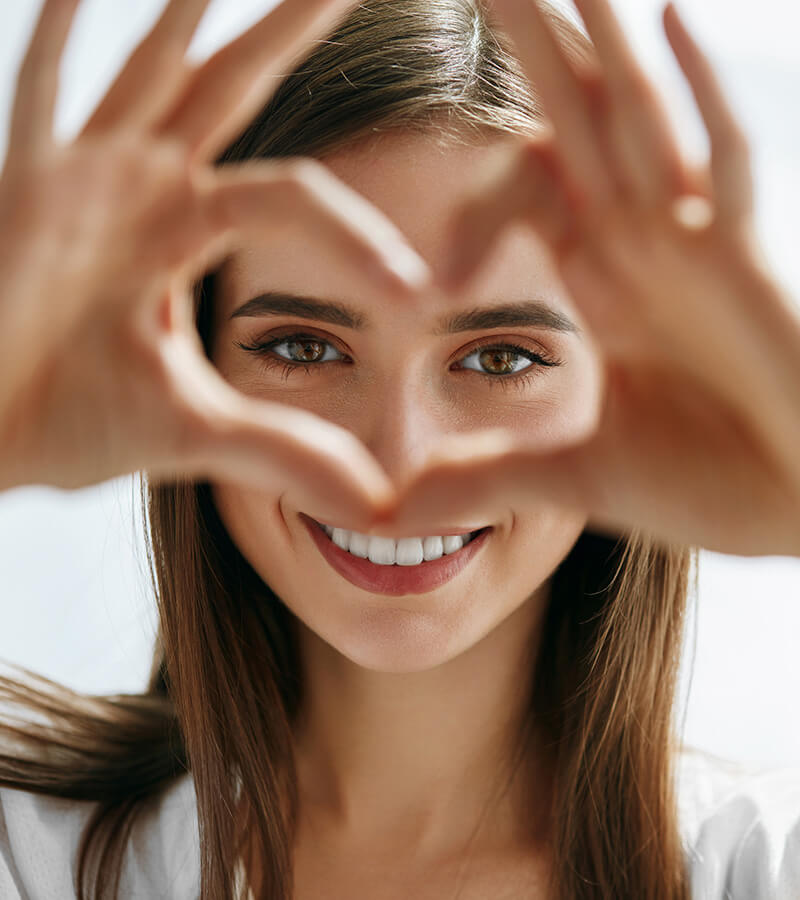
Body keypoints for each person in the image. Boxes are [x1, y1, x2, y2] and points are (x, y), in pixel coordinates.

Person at [0, 0, 798, 897]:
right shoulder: (28, 850)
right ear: (194, 354)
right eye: (303, 347)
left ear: (624, 383)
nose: (400, 457)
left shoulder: (762, 868)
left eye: (501, 358)